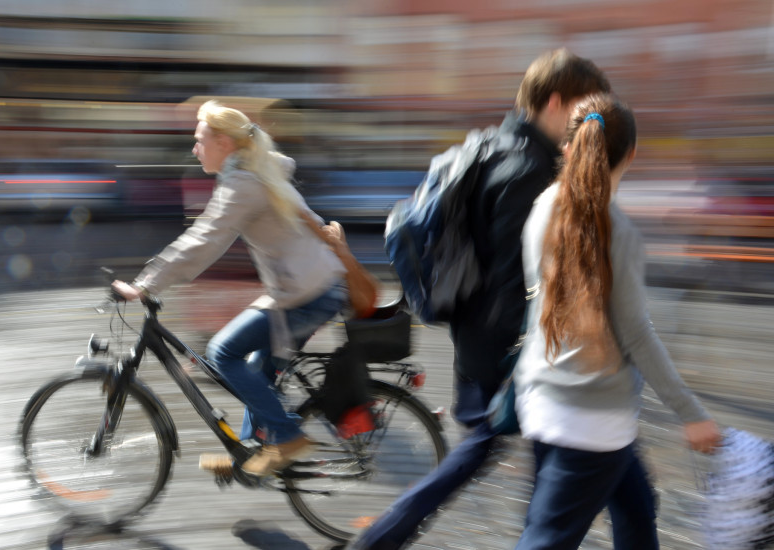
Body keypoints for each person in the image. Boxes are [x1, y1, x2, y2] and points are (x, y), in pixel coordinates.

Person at [350, 49, 612, 550]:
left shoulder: (487, 146)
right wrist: (535, 355)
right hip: (510, 352)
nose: (587, 127)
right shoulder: (529, 170)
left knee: (535, 461)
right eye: (586, 113)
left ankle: (385, 538)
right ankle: (381, 538)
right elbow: (518, 281)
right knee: (532, 460)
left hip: (476, 340)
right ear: (557, 102)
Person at [513, 93, 722, 549]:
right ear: (631, 155)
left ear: (568, 148)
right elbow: (637, 334)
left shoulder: (543, 207)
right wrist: (691, 414)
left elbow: (534, 299)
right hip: (591, 419)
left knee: (638, 512)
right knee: (546, 540)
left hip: (544, 398)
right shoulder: (618, 231)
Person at [112, 100, 348, 477]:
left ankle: (286, 437)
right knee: (256, 368)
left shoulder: (244, 183)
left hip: (305, 293)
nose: (195, 148)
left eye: (200, 140)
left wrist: (145, 284)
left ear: (223, 142)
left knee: (223, 353)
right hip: (314, 286)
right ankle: (251, 454)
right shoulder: (260, 169)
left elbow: (205, 239)